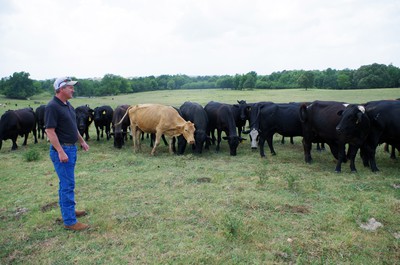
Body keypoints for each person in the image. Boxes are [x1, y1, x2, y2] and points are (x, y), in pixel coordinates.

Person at [45, 77, 90, 231]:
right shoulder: (52, 107)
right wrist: (60, 151)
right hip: (63, 151)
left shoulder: (67, 105)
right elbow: (49, 131)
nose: (73, 90)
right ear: (61, 89)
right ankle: (70, 221)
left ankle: (68, 212)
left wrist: (82, 141)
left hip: (71, 149)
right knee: (67, 185)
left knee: (66, 184)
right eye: (70, 87)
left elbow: (72, 127)